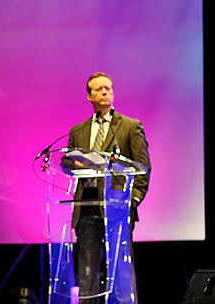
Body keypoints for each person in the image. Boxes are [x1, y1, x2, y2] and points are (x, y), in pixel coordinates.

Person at [65, 72, 151, 303]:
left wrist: (133, 200)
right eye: (99, 89)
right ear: (89, 96)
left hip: (117, 207)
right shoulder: (78, 131)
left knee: (121, 273)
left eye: (108, 88)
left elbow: (143, 168)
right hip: (87, 207)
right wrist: (72, 162)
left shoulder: (130, 126)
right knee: (87, 274)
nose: (105, 92)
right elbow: (66, 164)